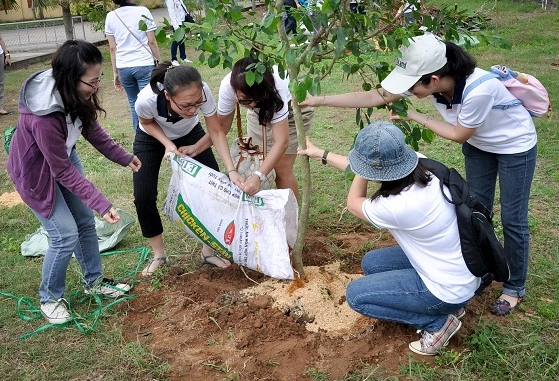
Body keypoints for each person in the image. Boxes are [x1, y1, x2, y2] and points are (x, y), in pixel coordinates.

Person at [302, 32, 537, 317]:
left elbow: (459, 134)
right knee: (476, 208)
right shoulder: (431, 80)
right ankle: (482, 268)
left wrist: (414, 116)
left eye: (413, 87)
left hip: (514, 145)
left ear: (434, 80)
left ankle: (514, 287)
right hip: (480, 144)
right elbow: (380, 95)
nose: (409, 92)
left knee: (513, 218)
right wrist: (319, 100)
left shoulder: (479, 89)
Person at [298, 122, 480, 355]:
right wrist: (321, 154)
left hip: (448, 289)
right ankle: (446, 307)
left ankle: (437, 324)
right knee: (372, 263)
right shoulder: (421, 164)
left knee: (357, 296)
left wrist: (362, 167)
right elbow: (369, 170)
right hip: (460, 268)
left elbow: (354, 202)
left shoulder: (399, 206)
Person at [6, 40, 142, 325]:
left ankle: (94, 281)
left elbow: (91, 127)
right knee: (64, 234)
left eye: (98, 78)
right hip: (36, 174)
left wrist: (122, 157)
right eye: (92, 81)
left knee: (84, 223)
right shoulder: (45, 116)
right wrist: (101, 204)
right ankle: (50, 298)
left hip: (63, 159)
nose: (96, 87)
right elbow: (60, 171)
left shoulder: (76, 91)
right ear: (71, 78)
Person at [134, 63, 243, 276]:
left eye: (197, 103)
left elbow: (216, 131)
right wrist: (168, 144)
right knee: (143, 195)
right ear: (167, 95)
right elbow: (146, 123)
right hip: (151, 137)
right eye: (186, 106)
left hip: (190, 132)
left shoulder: (203, 92)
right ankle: (159, 255)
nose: (193, 110)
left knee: (213, 188)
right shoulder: (146, 100)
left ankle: (208, 252)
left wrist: (230, 170)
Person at [218, 55, 314, 198]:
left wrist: (257, 177)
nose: (252, 104)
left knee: (281, 168)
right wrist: (195, 148)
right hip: (259, 113)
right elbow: (219, 130)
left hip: (291, 108)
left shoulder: (276, 86)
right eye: (245, 101)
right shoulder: (228, 87)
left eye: (257, 99)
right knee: (259, 160)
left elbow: (281, 142)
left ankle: (290, 217)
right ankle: (261, 213)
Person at [105, 0, 162, 132]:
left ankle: (139, 134)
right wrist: (159, 61)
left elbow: (112, 48)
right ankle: (153, 135)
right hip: (143, 63)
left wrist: (115, 72)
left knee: (133, 103)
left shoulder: (111, 16)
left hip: (123, 65)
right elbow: (152, 41)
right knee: (150, 101)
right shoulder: (143, 11)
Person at [166, 0, 193, 65]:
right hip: (176, 23)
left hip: (182, 21)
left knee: (182, 41)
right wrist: (175, 25)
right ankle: (173, 59)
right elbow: (171, 12)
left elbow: (183, 8)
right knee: (176, 41)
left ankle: (183, 57)